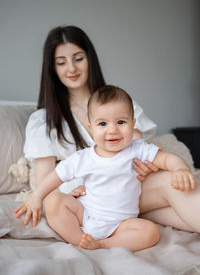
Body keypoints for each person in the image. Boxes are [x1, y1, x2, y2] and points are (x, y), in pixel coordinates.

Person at [17, 25, 200, 235]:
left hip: (130, 192)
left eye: (78, 58)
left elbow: (138, 150)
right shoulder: (43, 120)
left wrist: (150, 167)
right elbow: (46, 181)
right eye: (61, 62)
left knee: (177, 183)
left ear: (90, 59)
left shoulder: (119, 103)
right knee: (171, 197)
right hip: (88, 202)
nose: (71, 69)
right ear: (52, 68)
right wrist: (69, 196)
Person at [14, 85, 195, 251]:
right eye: (103, 124)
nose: (112, 130)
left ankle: (103, 244)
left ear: (133, 124)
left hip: (122, 223)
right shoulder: (84, 158)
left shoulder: (137, 149)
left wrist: (181, 169)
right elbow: (56, 176)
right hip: (86, 215)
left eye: (121, 122)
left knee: (150, 232)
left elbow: (167, 159)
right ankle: (79, 240)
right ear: (91, 129)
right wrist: (37, 196)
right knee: (54, 201)